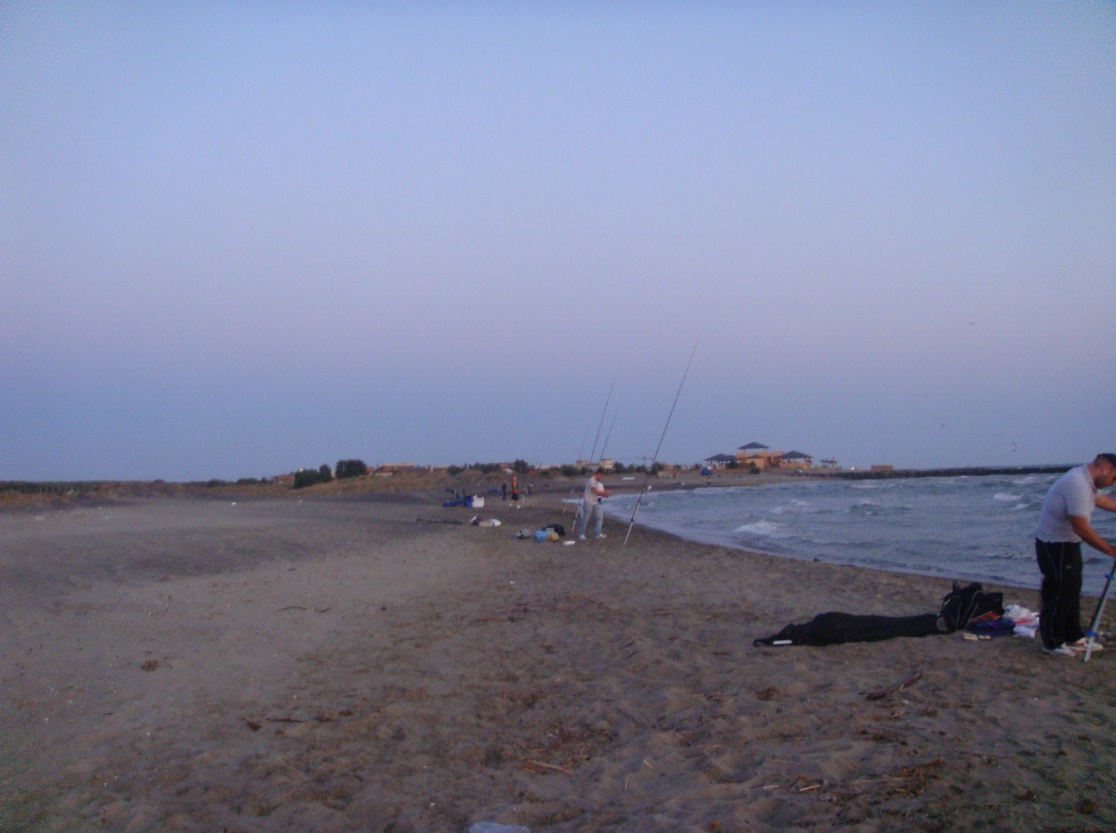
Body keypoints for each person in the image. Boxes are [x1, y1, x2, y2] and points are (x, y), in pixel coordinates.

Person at [1034, 453, 1116, 656]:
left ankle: (1073, 636)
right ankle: (1052, 642)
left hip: (1068, 543)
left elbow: (1102, 500)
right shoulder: (1077, 483)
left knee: (1072, 588)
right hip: (1054, 545)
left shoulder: (1088, 483)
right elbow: (1081, 528)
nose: (1113, 483)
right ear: (1106, 468)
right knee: (1060, 591)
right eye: (1115, 478)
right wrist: (1110, 550)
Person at [578, 468, 611, 540]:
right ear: (599, 474)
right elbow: (596, 491)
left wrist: (606, 494)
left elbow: (600, 494)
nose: (601, 477)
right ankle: (581, 533)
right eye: (601, 476)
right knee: (586, 518)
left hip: (595, 501)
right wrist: (606, 492)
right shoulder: (591, 480)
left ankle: (598, 533)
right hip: (588, 501)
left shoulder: (598, 483)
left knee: (600, 517)